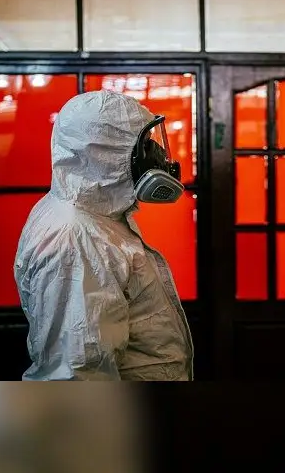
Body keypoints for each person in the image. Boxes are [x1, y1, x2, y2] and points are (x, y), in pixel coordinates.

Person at [15, 90, 194, 380]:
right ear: (108, 153)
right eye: (144, 144)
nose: (157, 154)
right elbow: (77, 374)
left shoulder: (98, 216)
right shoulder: (74, 239)